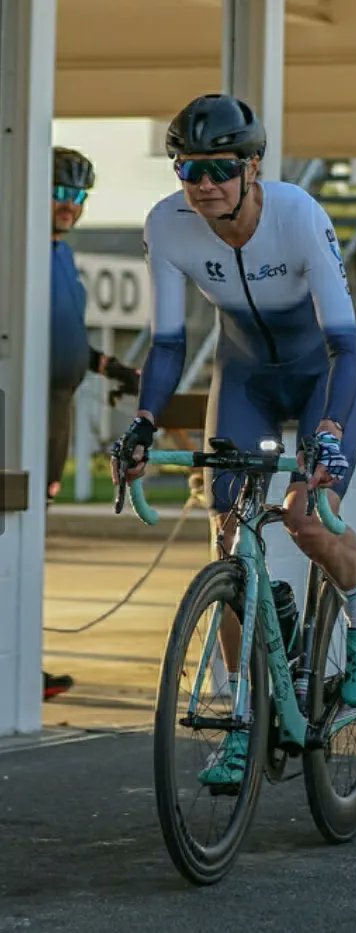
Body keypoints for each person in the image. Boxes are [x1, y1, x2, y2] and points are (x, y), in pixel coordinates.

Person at [110, 94, 356, 785]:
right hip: (244, 377)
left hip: (322, 374)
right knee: (229, 541)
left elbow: (346, 346)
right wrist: (144, 422)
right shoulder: (168, 226)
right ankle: (245, 715)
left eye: (219, 168)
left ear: (252, 167)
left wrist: (327, 433)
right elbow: (169, 344)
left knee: (302, 517)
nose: (203, 184)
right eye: (188, 169)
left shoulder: (298, 216)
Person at [46, 147, 140, 702]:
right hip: (19, 416)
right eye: (59, 193)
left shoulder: (63, 258)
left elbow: (69, 341)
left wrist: (113, 367)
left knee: (30, 549)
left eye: (78, 196)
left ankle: (18, 661)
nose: (68, 206)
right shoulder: (18, 251)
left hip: (54, 420)